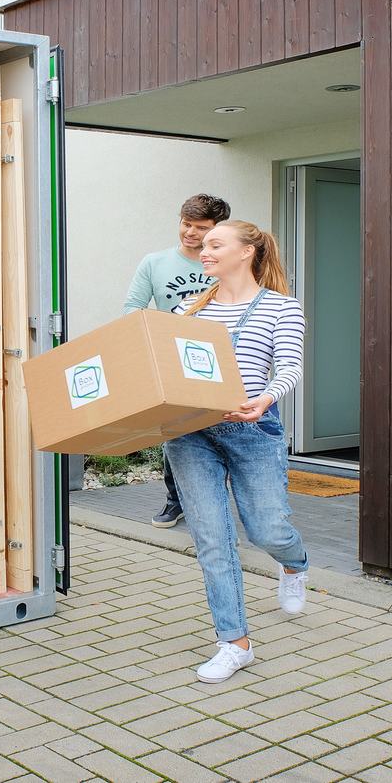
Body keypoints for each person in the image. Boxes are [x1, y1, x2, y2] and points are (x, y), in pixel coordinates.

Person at [166, 220, 308, 684]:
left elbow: (288, 365)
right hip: (191, 433)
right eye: (202, 246)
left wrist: (266, 397)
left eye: (214, 244)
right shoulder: (188, 310)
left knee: (267, 528)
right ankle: (234, 642)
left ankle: (294, 563)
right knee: (212, 539)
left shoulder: (282, 308)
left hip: (253, 430)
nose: (203, 251)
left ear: (246, 252)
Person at [123, 193, 230, 528]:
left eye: (201, 227)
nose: (191, 233)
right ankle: (175, 500)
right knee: (175, 431)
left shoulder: (229, 264)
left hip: (219, 360)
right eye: (186, 224)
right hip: (170, 360)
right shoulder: (155, 263)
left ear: (217, 229)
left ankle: (215, 507)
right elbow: (133, 308)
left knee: (222, 429)